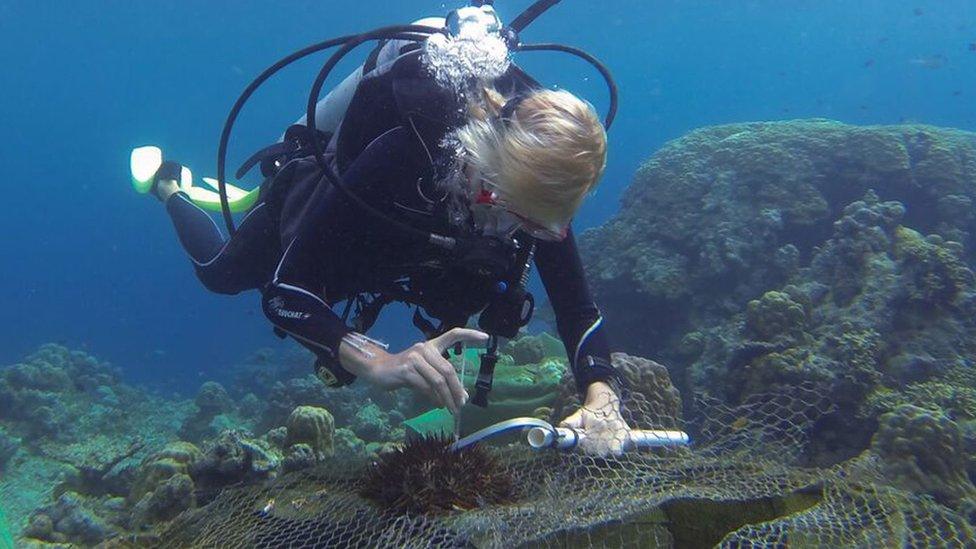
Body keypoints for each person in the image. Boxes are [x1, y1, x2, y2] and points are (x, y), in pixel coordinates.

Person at [143, 11, 632, 455]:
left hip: (408, 250)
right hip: (346, 209)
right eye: (512, 213)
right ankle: (169, 185)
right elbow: (285, 293)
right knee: (222, 273)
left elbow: (578, 308)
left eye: (539, 227)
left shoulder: (535, 196)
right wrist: (376, 360)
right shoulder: (404, 152)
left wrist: (601, 396)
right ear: (486, 161)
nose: (515, 233)